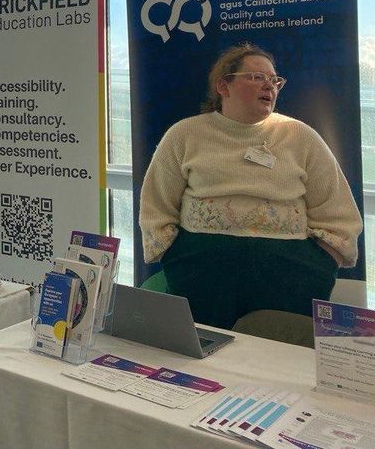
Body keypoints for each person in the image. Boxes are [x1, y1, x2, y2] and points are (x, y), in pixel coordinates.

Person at [139, 43, 363, 330]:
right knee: (204, 359)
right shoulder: (184, 135)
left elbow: (338, 213)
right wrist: (179, 258)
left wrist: (317, 266)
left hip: (292, 275)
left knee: (279, 358)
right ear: (224, 86)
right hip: (201, 272)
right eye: (257, 77)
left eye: (274, 80)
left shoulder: (301, 136)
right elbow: (156, 206)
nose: (269, 86)